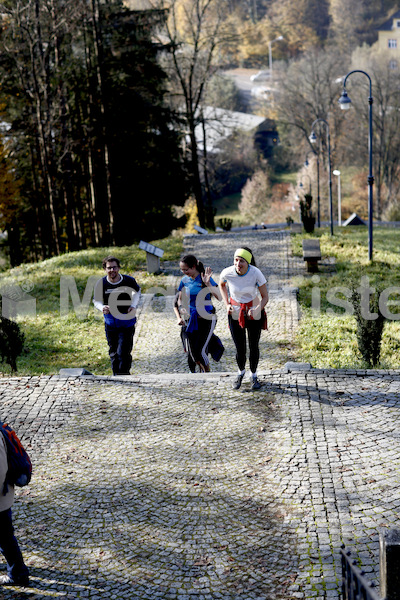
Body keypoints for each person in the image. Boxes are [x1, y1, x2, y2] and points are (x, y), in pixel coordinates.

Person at [219, 247, 268, 390]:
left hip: (254, 312)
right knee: (240, 348)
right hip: (235, 311)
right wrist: (226, 303)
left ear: (248, 262)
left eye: (241, 261)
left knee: (253, 346)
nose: (238, 264)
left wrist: (258, 308)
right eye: (236, 260)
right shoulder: (227, 272)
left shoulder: (256, 273)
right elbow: (221, 285)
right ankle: (240, 373)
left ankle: (254, 376)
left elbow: (265, 297)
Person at [174, 254, 222, 373]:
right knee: (192, 351)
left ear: (194, 266)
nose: (184, 272)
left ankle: (207, 372)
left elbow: (219, 297)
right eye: (182, 269)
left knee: (201, 350)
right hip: (191, 319)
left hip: (207, 319)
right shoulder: (184, 280)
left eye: (186, 269)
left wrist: (208, 284)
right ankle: (201, 369)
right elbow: (180, 298)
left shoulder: (204, 278)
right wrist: (181, 308)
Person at [93, 256, 141, 375]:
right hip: (111, 322)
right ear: (105, 269)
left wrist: (133, 305)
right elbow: (96, 300)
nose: (112, 270)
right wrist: (102, 307)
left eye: (114, 267)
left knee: (123, 351)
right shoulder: (102, 283)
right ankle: (116, 376)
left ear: (119, 268)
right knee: (113, 351)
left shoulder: (128, 281)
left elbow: (137, 292)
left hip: (126, 321)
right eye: (109, 268)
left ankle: (124, 374)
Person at [0, 433, 29, 587]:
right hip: (2, 498)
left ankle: (18, 574)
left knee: (6, 539)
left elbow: (0, 471)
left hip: (0, 500)